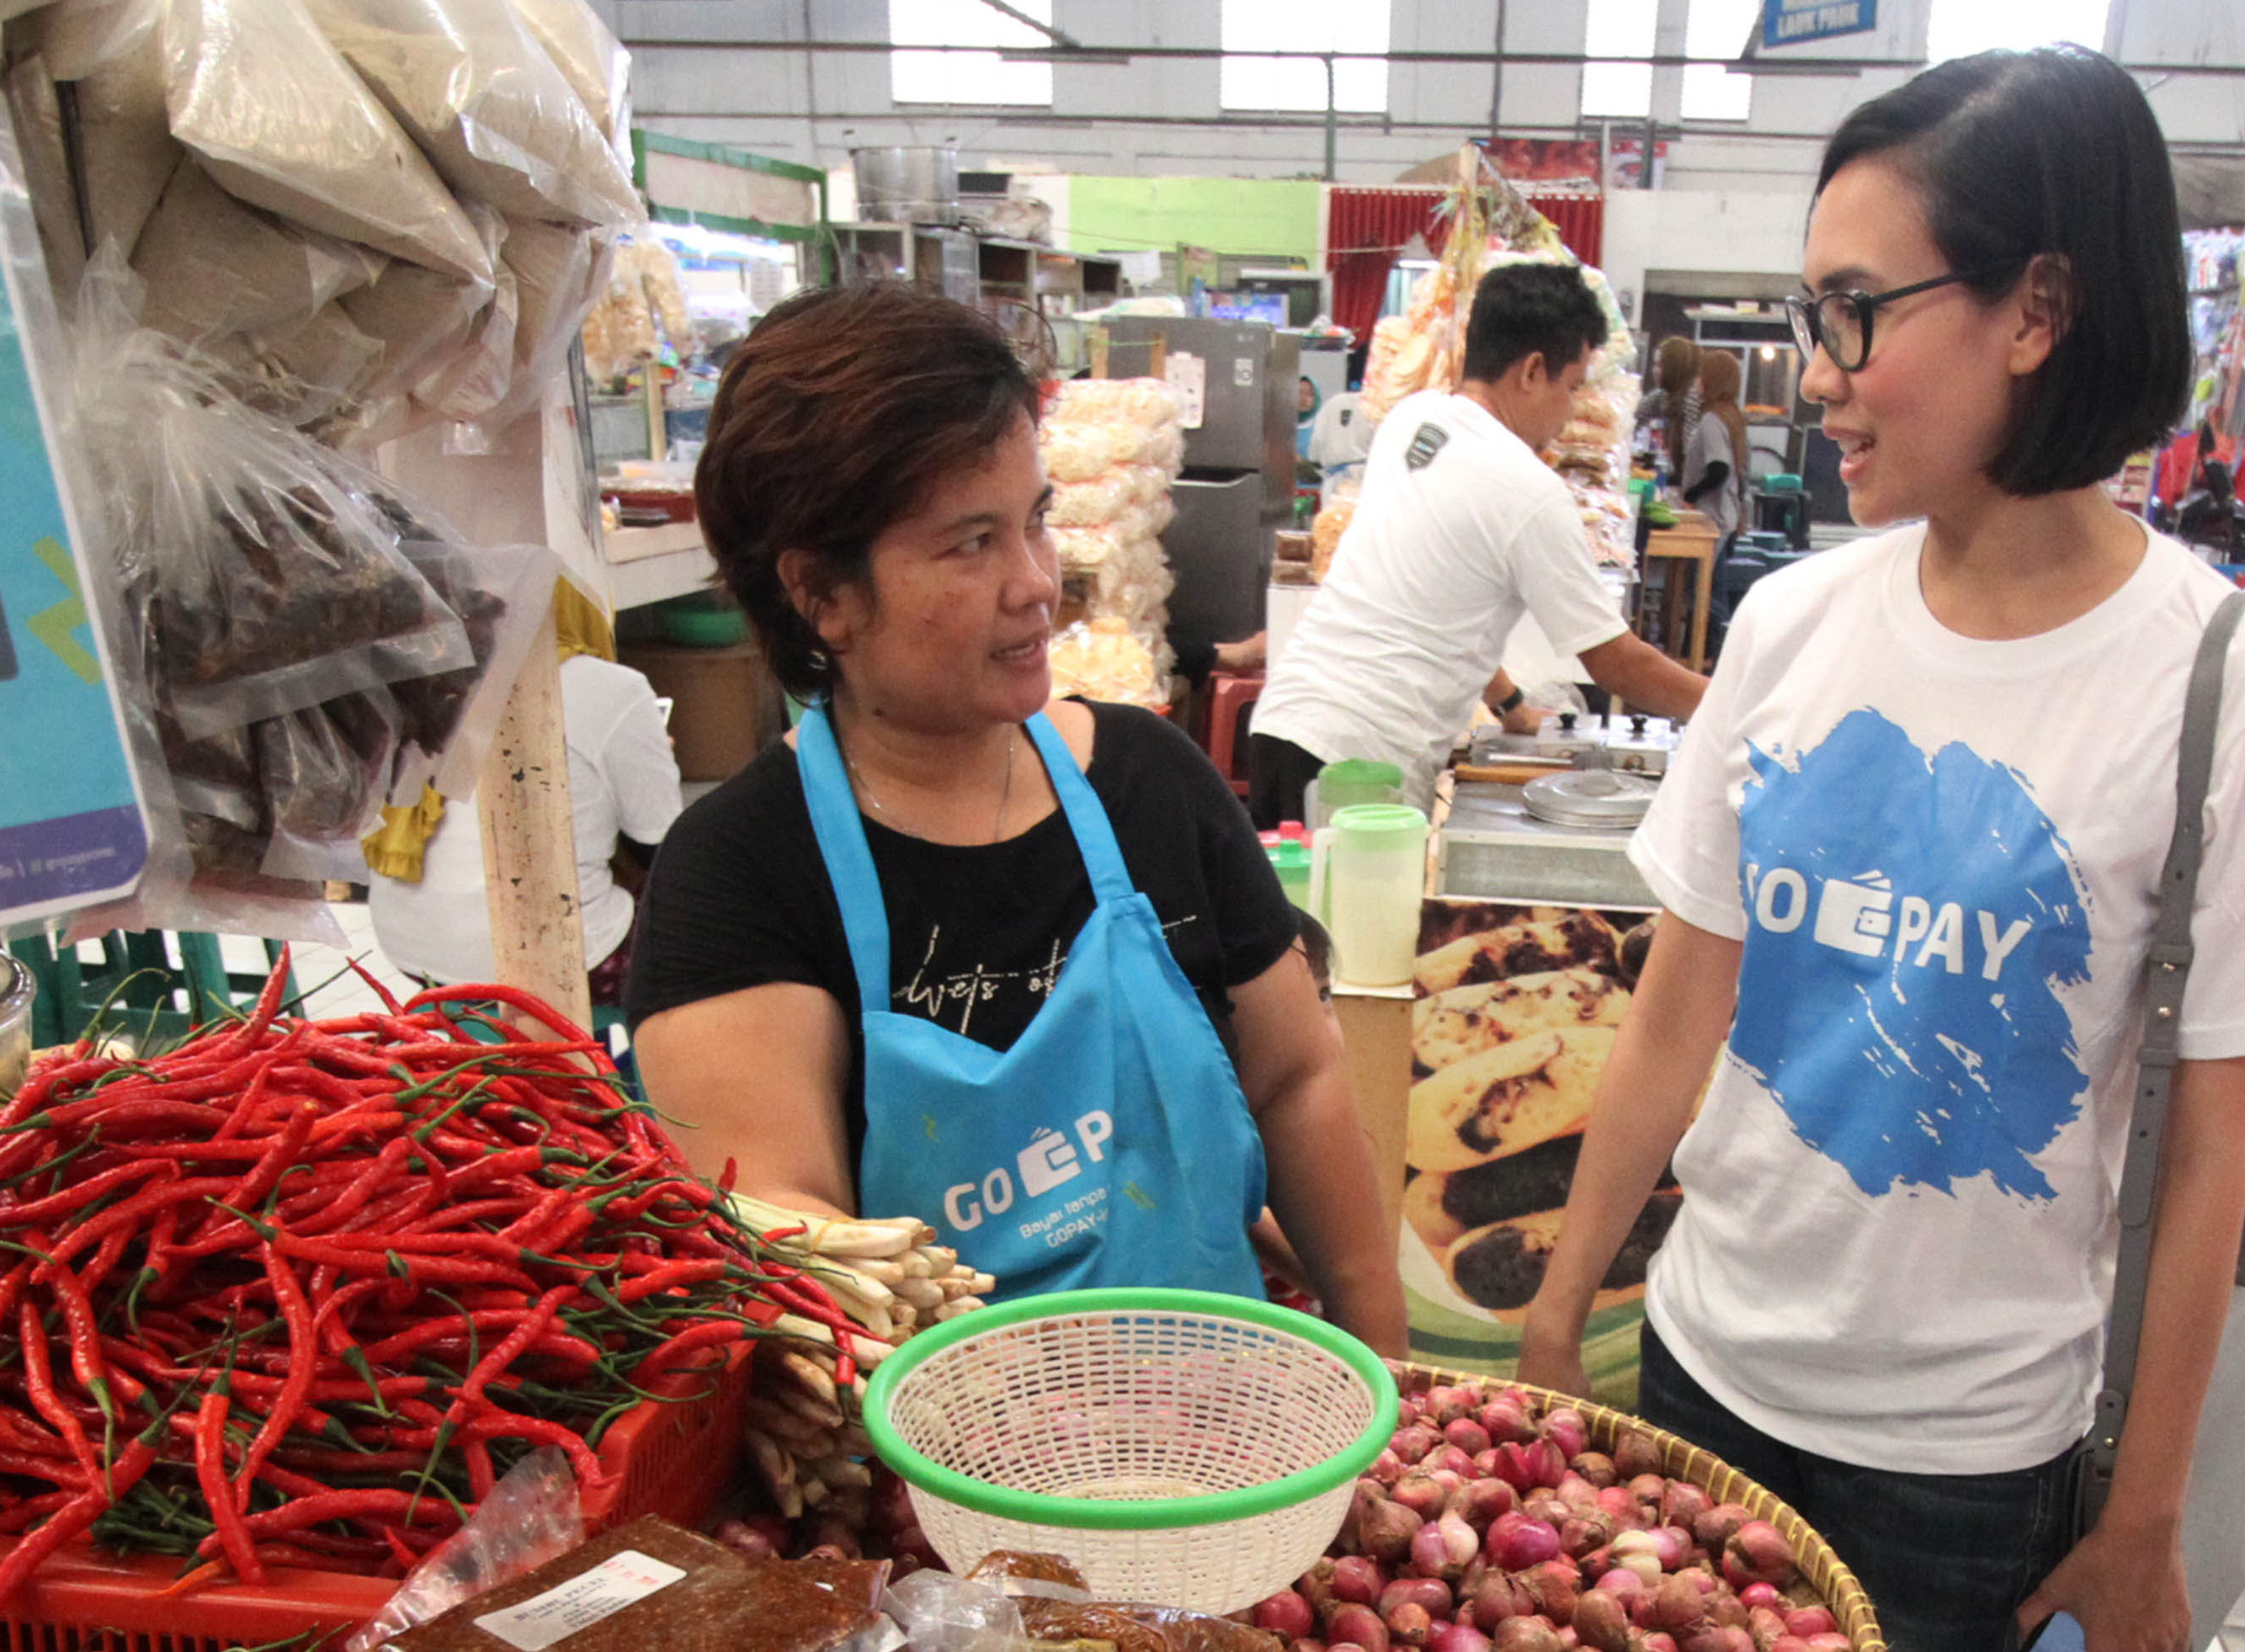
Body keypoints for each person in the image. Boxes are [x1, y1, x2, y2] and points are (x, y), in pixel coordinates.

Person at [1516, 47, 2245, 1652]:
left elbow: (2209, 1153)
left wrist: (2132, 1532)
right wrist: (1557, 1311)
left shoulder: (2227, 680)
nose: (1819, 371)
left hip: (1961, 1451)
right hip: (1704, 1367)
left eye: (1858, 312)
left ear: (2036, 308)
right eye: (1810, 315)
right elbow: (1676, 1000)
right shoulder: (1792, 619)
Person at [625, 285, 1403, 1350]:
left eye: (1035, 519)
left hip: (1236, 1441)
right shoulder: (742, 870)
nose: (1038, 582)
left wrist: (1383, 1358)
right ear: (823, 593)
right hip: (944, 1495)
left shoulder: (1150, 782)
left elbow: (1296, 1074)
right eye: (971, 543)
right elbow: (785, 1232)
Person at [1242, 263, 1705, 826]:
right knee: (1348, 916)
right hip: (1359, 763)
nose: (1569, 414)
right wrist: (1728, 702)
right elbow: (1617, 662)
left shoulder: (1410, 419)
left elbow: (1438, 584)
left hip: (1286, 721)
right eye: (1573, 386)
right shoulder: (1530, 491)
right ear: (1534, 370)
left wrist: (1509, 705)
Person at [364, 652, 683, 1008]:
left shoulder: (416, 668)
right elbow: (660, 843)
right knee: (707, 911)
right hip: (561, 967)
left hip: (416, 953)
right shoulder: (610, 686)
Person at [1680, 348, 1750, 544]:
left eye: (1699, 375)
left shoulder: (1712, 420)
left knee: (1700, 576)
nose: (1695, 382)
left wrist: (1690, 495)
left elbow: (1719, 470)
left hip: (1711, 520)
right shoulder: (1733, 416)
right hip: (1728, 516)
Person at [1636, 332, 1701, 470]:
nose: (1654, 371)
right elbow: (1635, 417)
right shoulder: (1662, 395)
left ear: (1674, 367)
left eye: (1660, 366)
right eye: (1654, 365)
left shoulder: (1692, 398)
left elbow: (1691, 451)